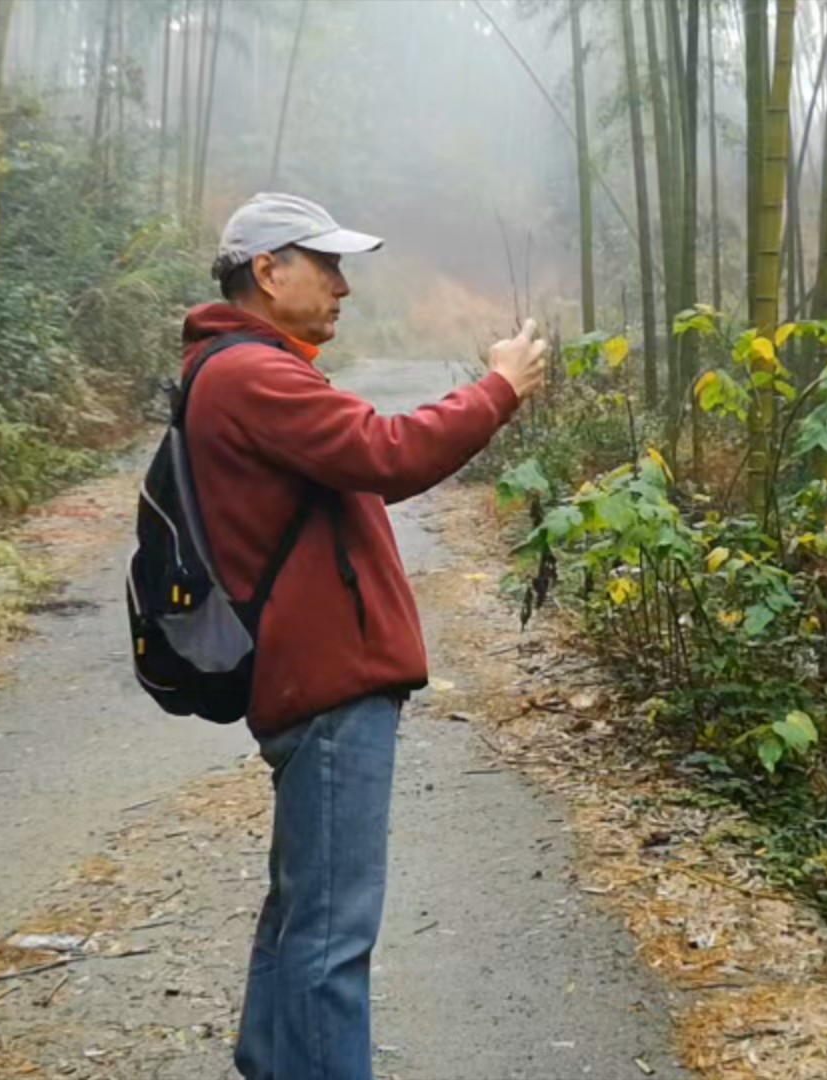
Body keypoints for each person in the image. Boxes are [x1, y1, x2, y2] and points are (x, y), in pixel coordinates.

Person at [180, 192, 547, 1079]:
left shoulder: (252, 366)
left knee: (305, 910)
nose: (344, 285)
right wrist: (497, 388)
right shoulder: (250, 375)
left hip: (315, 675)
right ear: (267, 272)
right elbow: (388, 454)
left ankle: (273, 1061)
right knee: (334, 935)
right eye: (326, 264)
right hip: (328, 680)